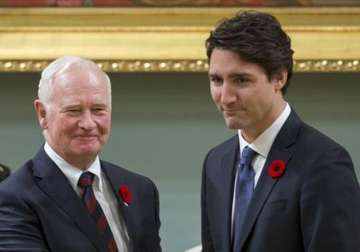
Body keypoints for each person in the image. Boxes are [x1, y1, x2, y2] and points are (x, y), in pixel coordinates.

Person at [201, 11, 360, 252]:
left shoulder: (324, 163)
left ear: (279, 77)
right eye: (217, 80)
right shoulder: (216, 163)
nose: (225, 97)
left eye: (241, 80)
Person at [0, 56, 161, 252]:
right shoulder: (12, 198)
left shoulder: (141, 190)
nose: (88, 124)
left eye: (98, 110)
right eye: (74, 111)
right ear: (42, 114)